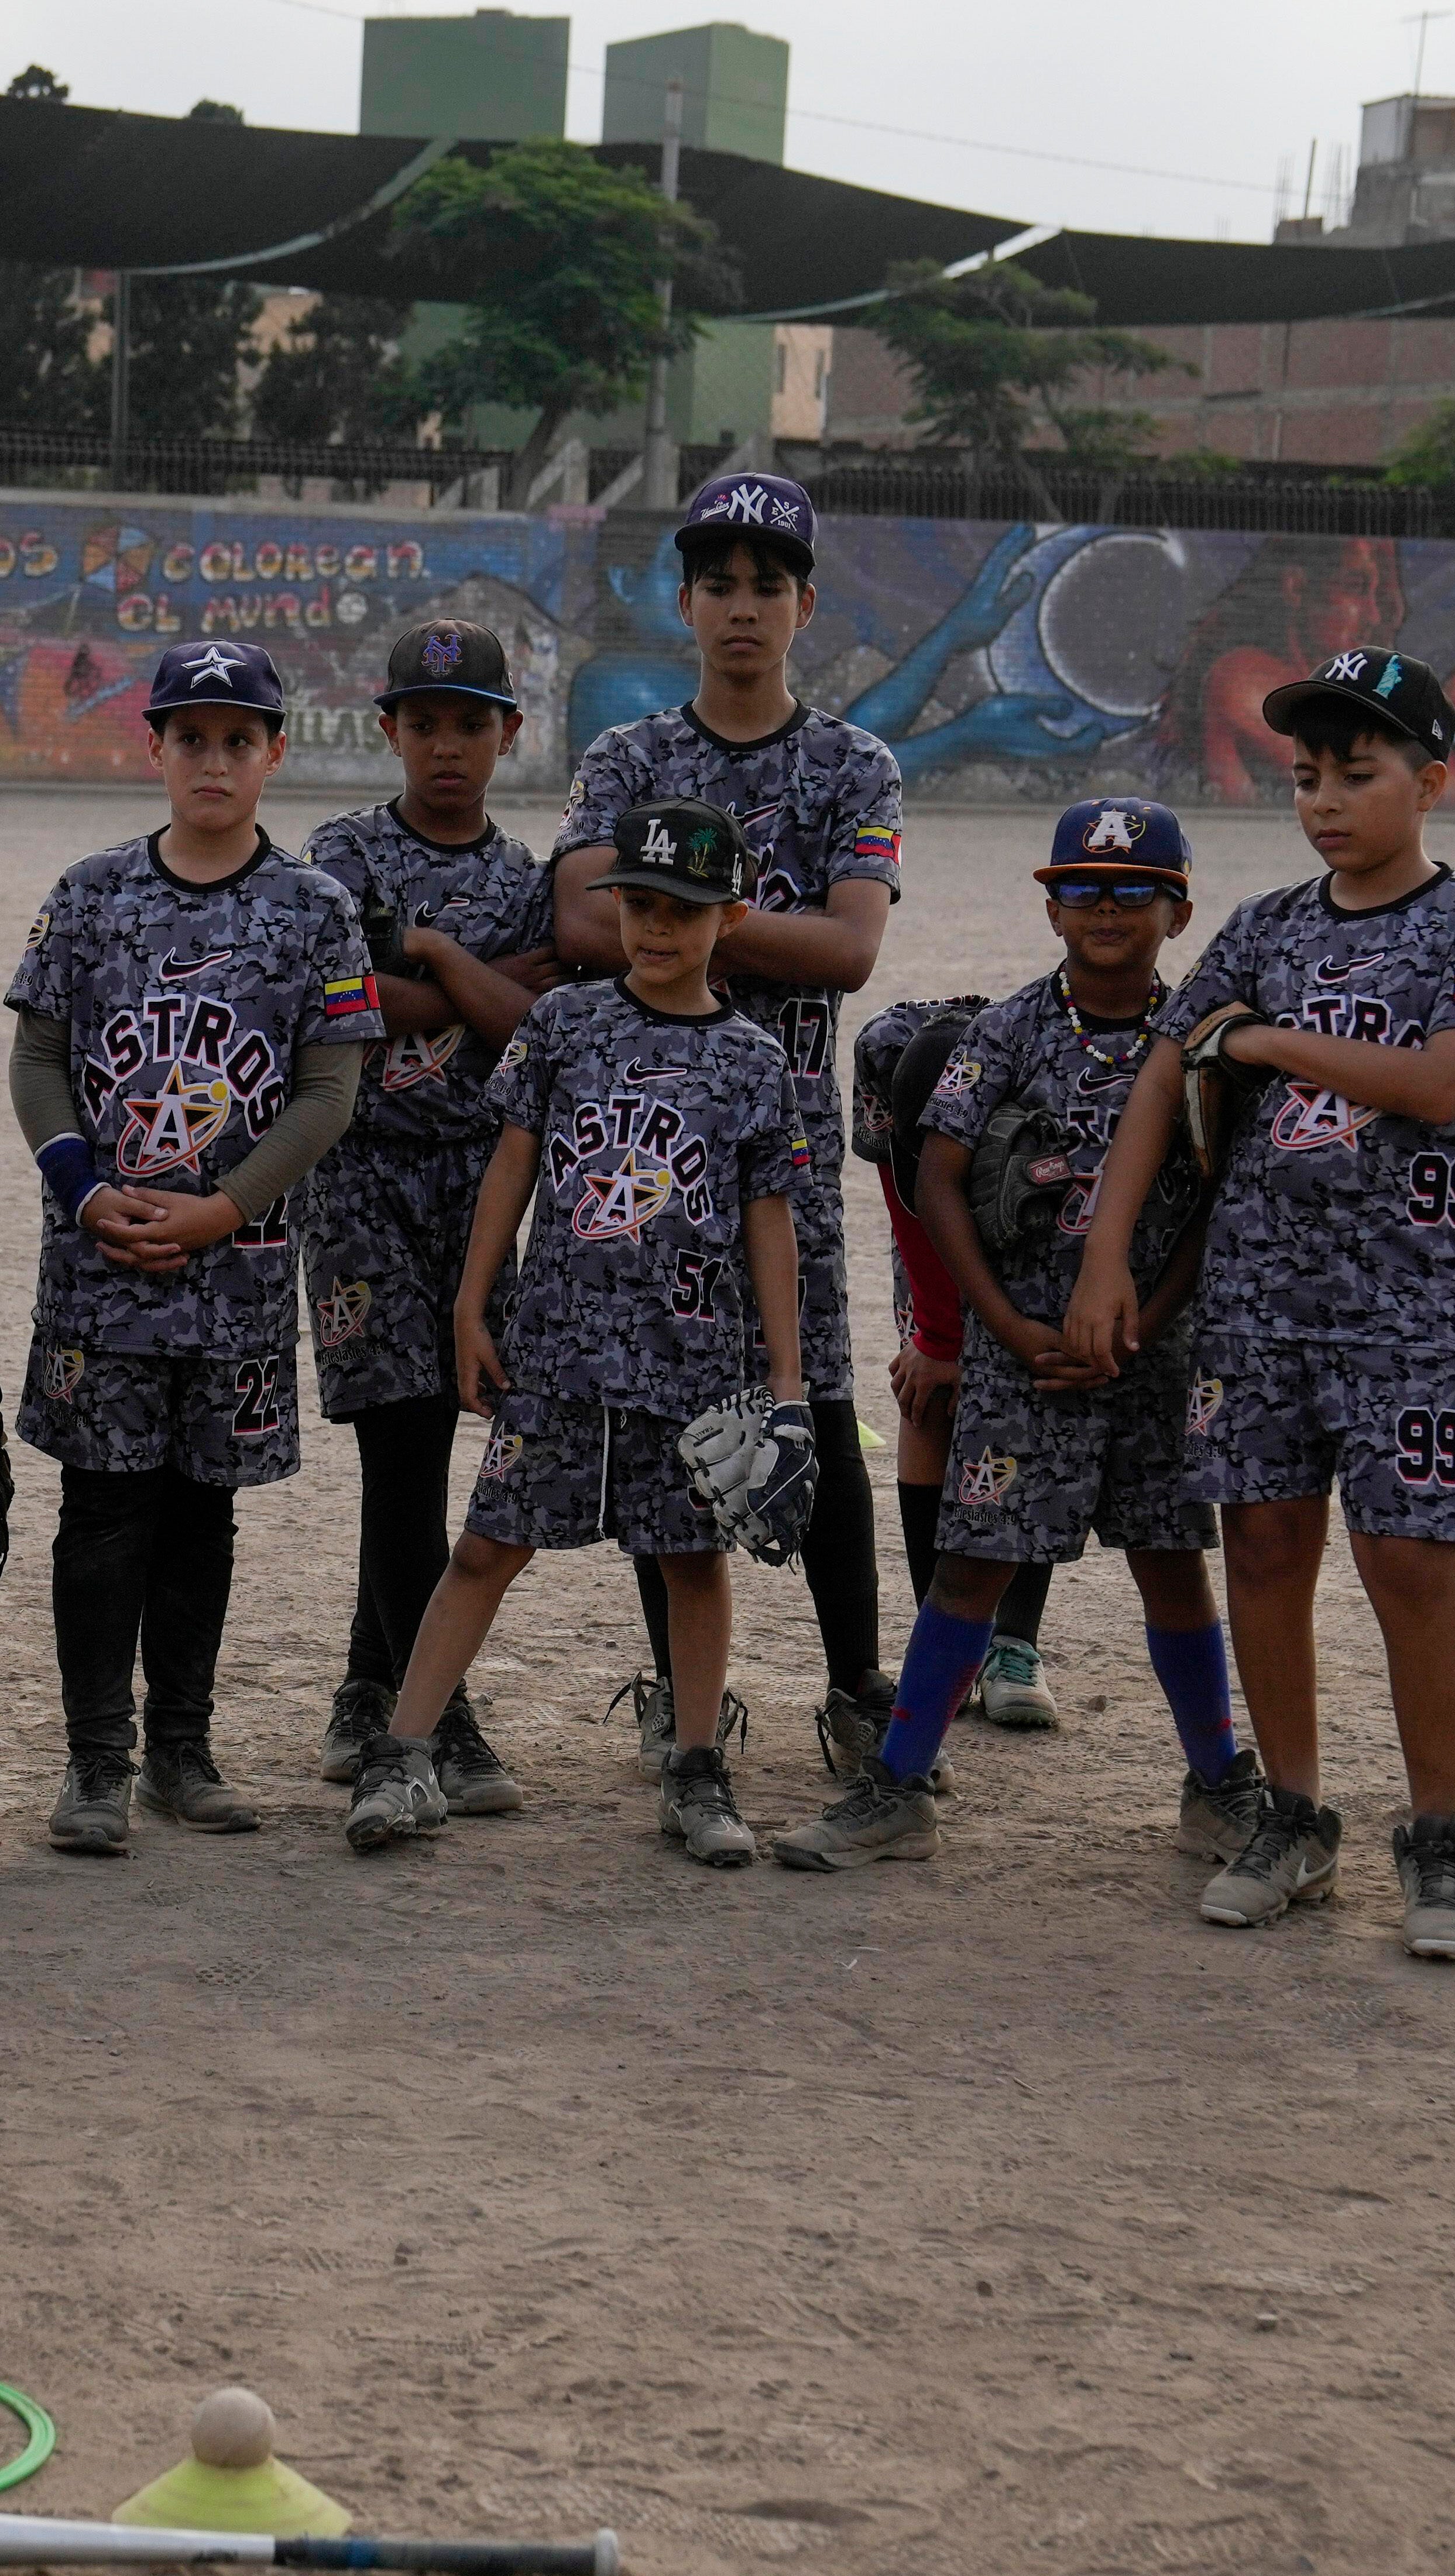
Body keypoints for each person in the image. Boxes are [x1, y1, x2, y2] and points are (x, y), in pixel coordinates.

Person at [1066, 651, 1455, 1962]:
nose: (1323, 799)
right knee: (1262, 1550)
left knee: (1408, 1562)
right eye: (1307, 776)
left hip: (1404, 1306)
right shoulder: (1261, 927)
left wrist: (1260, 1044)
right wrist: (1107, 1258)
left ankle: (1437, 1835)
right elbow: (1162, 1075)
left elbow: (1438, 1084)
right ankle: (1293, 1815)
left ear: (1429, 782)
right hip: (1256, 1303)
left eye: (1357, 773)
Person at [773, 800, 1243, 1871]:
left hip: (1151, 1363)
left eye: (1134, 891)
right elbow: (934, 1176)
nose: (1106, 910)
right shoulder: (1010, 1030)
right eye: (1080, 889)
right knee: (970, 1565)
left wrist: (1144, 1322)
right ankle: (895, 1788)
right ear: (1048, 908)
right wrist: (1001, 1328)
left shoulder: (1199, 1046)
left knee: (1171, 1565)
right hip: (1014, 1357)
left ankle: (1218, 1786)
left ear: (1177, 912)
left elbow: (1214, 1198)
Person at [358, 798, 807, 1866]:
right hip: (554, 1348)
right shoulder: (563, 1024)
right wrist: (473, 1301)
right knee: (483, 1548)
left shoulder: (749, 1062)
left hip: (687, 1361)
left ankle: (694, 1770)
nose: (656, 928)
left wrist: (784, 1381)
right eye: (639, 905)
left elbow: (768, 1223)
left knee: (692, 1560)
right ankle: (403, 1751)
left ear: (729, 918)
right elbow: (509, 1161)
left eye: (682, 910)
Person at [550, 476, 899, 1782]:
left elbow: (852, 950)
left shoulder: (850, 763)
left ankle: (856, 1683)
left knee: (810, 1393)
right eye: (717, 582)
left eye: (768, 583)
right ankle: (677, 1687)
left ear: (803, 603)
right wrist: (752, 924)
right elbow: (582, 923)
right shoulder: (628, 758)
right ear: (682, 602)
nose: (741, 606)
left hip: (787, 1137)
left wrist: (684, 909)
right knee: (667, 1410)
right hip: (645, 1147)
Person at [11, 639, 376, 1855]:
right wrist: (83, 1185)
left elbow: (329, 1090)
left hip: (234, 1268)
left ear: (274, 753)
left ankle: (180, 1747)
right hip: (102, 1259)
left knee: (201, 1512)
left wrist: (224, 1207)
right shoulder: (90, 890)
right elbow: (39, 1055)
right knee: (103, 1507)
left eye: (237, 740)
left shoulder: (313, 908)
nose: (211, 760)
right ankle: (95, 1763)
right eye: (189, 737)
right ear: (153, 745)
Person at [300, 617, 563, 1811]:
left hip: (473, 1185)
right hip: (356, 1182)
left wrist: (437, 955)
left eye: (470, 721)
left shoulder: (530, 879)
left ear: (509, 731)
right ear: (387, 729)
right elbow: (348, 1004)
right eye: (424, 723)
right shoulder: (340, 855)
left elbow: (529, 1030)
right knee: (397, 1438)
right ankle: (437, 1720)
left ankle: (367, 1688)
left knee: (423, 1440)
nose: (446, 745)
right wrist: (481, 981)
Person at [847, 996, 1056, 1737]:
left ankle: (1014, 1645)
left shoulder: (1049, 1069)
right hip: (937, 1246)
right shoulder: (885, 1056)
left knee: (1031, 1405)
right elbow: (911, 1200)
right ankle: (944, 1640)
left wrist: (1007, 1339)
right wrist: (939, 1341)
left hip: (1039, 1218)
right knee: (927, 1397)